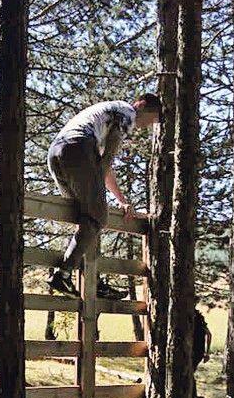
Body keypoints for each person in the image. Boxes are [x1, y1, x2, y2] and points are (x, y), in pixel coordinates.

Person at [46, 93, 162, 299]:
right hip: (77, 148)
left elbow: (102, 166)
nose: (147, 126)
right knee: (98, 216)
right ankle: (63, 275)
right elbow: (106, 159)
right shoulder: (128, 113)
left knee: (87, 218)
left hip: (56, 152)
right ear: (142, 105)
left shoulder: (106, 115)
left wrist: (120, 200)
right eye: (152, 119)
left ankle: (94, 280)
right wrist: (105, 199)